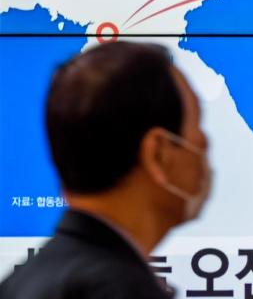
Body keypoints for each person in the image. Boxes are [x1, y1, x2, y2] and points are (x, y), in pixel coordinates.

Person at [0, 41, 212, 299]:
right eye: (198, 138)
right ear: (157, 154)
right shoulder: (122, 290)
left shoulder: (21, 282)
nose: (204, 159)